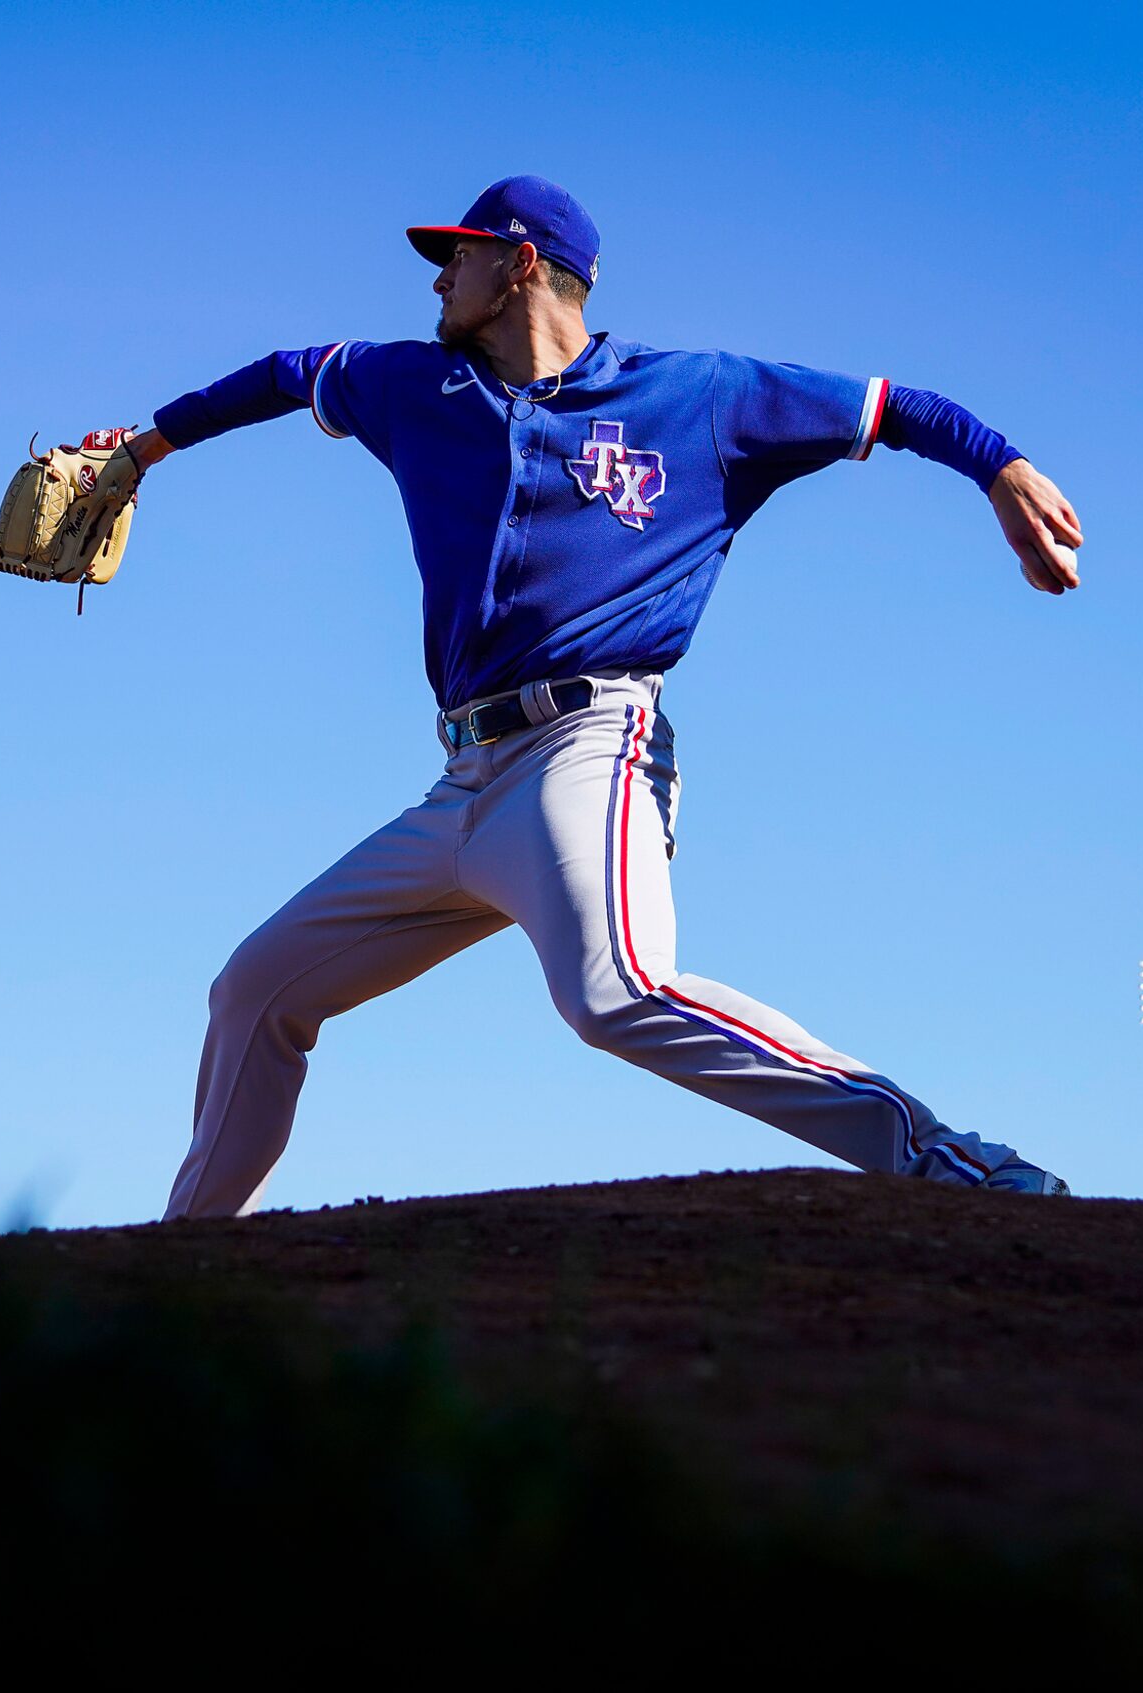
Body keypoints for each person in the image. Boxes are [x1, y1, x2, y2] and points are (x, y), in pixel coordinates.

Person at [124, 175, 1083, 1218]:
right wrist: (138, 452)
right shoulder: (411, 386)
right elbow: (281, 374)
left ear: (519, 264)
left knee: (614, 993)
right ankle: (187, 1264)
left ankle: (944, 1161)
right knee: (257, 987)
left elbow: (892, 407)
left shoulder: (697, 397)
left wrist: (1002, 468)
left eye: (459, 254)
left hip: (587, 750)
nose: (439, 276)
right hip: (458, 788)